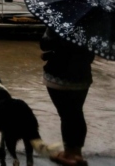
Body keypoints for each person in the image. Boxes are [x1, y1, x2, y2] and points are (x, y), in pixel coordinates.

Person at [41, 27, 95, 165]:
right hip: (82, 76)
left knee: (66, 115)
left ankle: (68, 155)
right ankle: (77, 153)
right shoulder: (93, 25)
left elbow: (45, 44)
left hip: (58, 76)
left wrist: (50, 53)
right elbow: (90, 55)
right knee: (76, 112)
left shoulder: (60, 20)